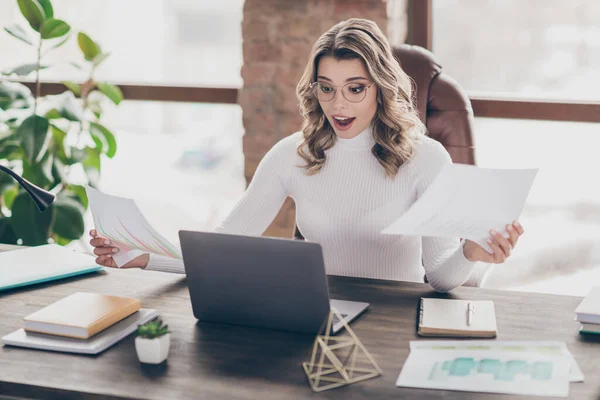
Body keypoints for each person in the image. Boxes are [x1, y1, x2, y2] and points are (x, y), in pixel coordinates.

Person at [89, 18, 524, 293]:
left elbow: (441, 278)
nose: (339, 105)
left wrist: (470, 252)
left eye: (355, 88)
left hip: (397, 326)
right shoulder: (291, 156)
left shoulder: (426, 159)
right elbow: (222, 244)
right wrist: (141, 257)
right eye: (327, 87)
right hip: (319, 321)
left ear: (381, 89)